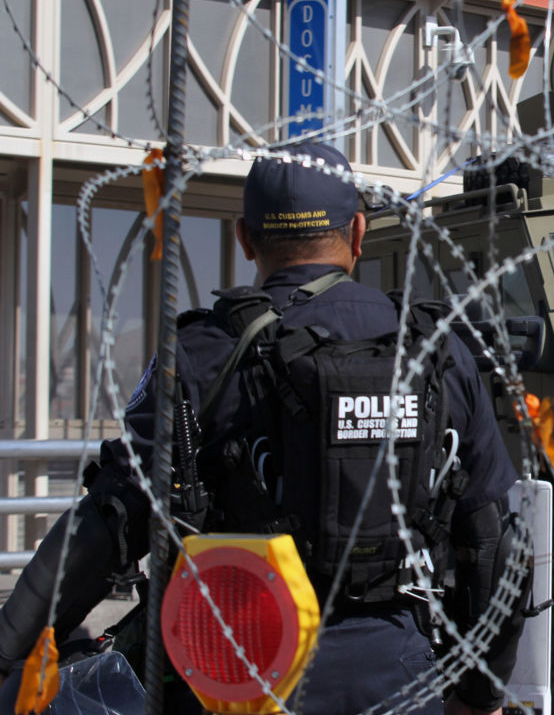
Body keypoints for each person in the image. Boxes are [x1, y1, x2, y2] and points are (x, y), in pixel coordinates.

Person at [0, 143, 522, 715]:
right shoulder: (437, 349)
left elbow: (108, 526)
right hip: (399, 674)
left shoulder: (202, 353)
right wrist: (481, 693)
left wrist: (9, 653)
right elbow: (491, 537)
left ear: (244, 237)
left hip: (237, 677)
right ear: (358, 230)